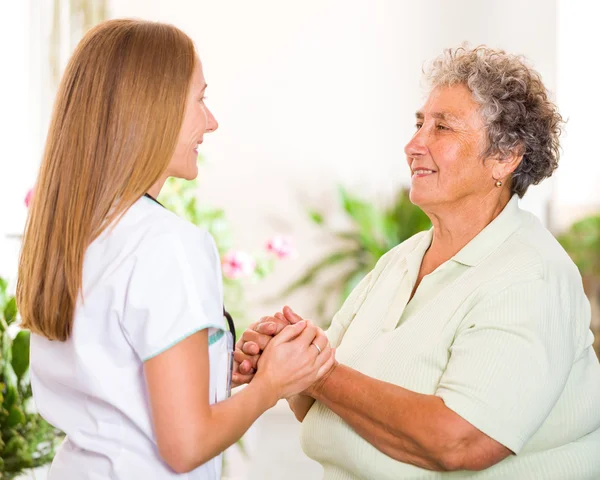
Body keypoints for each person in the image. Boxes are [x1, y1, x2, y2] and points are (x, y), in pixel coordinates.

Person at [235, 47, 600, 479]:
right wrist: (290, 357)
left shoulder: (530, 276)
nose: (413, 146)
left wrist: (316, 372)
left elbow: (462, 441)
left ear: (505, 156)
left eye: (442, 127)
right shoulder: (400, 261)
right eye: (419, 123)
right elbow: (315, 406)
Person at [16, 19, 334, 480]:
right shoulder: (167, 243)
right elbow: (185, 446)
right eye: (200, 99)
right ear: (153, 109)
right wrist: (271, 385)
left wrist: (213, 372)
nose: (212, 121)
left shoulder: (70, 231)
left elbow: (112, 383)